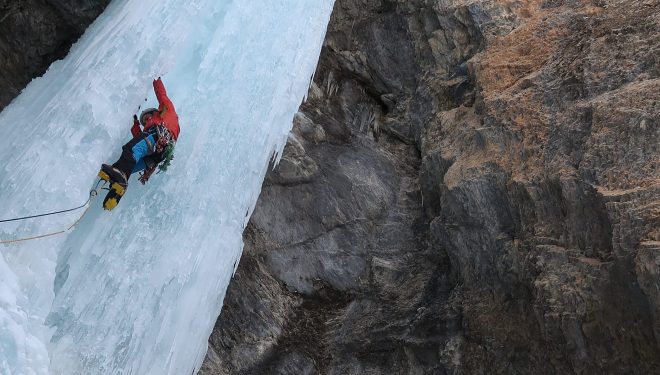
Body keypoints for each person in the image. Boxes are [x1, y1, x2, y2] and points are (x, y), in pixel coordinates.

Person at [99, 77, 179, 209]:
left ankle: (119, 180)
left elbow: (161, 93)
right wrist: (134, 121)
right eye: (144, 121)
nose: (146, 120)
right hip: (156, 155)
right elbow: (139, 139)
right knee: (126, 166)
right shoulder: (148, 131)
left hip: (160, 136)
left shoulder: (166, 111)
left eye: (148, 116)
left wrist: (155, 76)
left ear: (156, 112)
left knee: (130, 150)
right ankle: (113, 197)